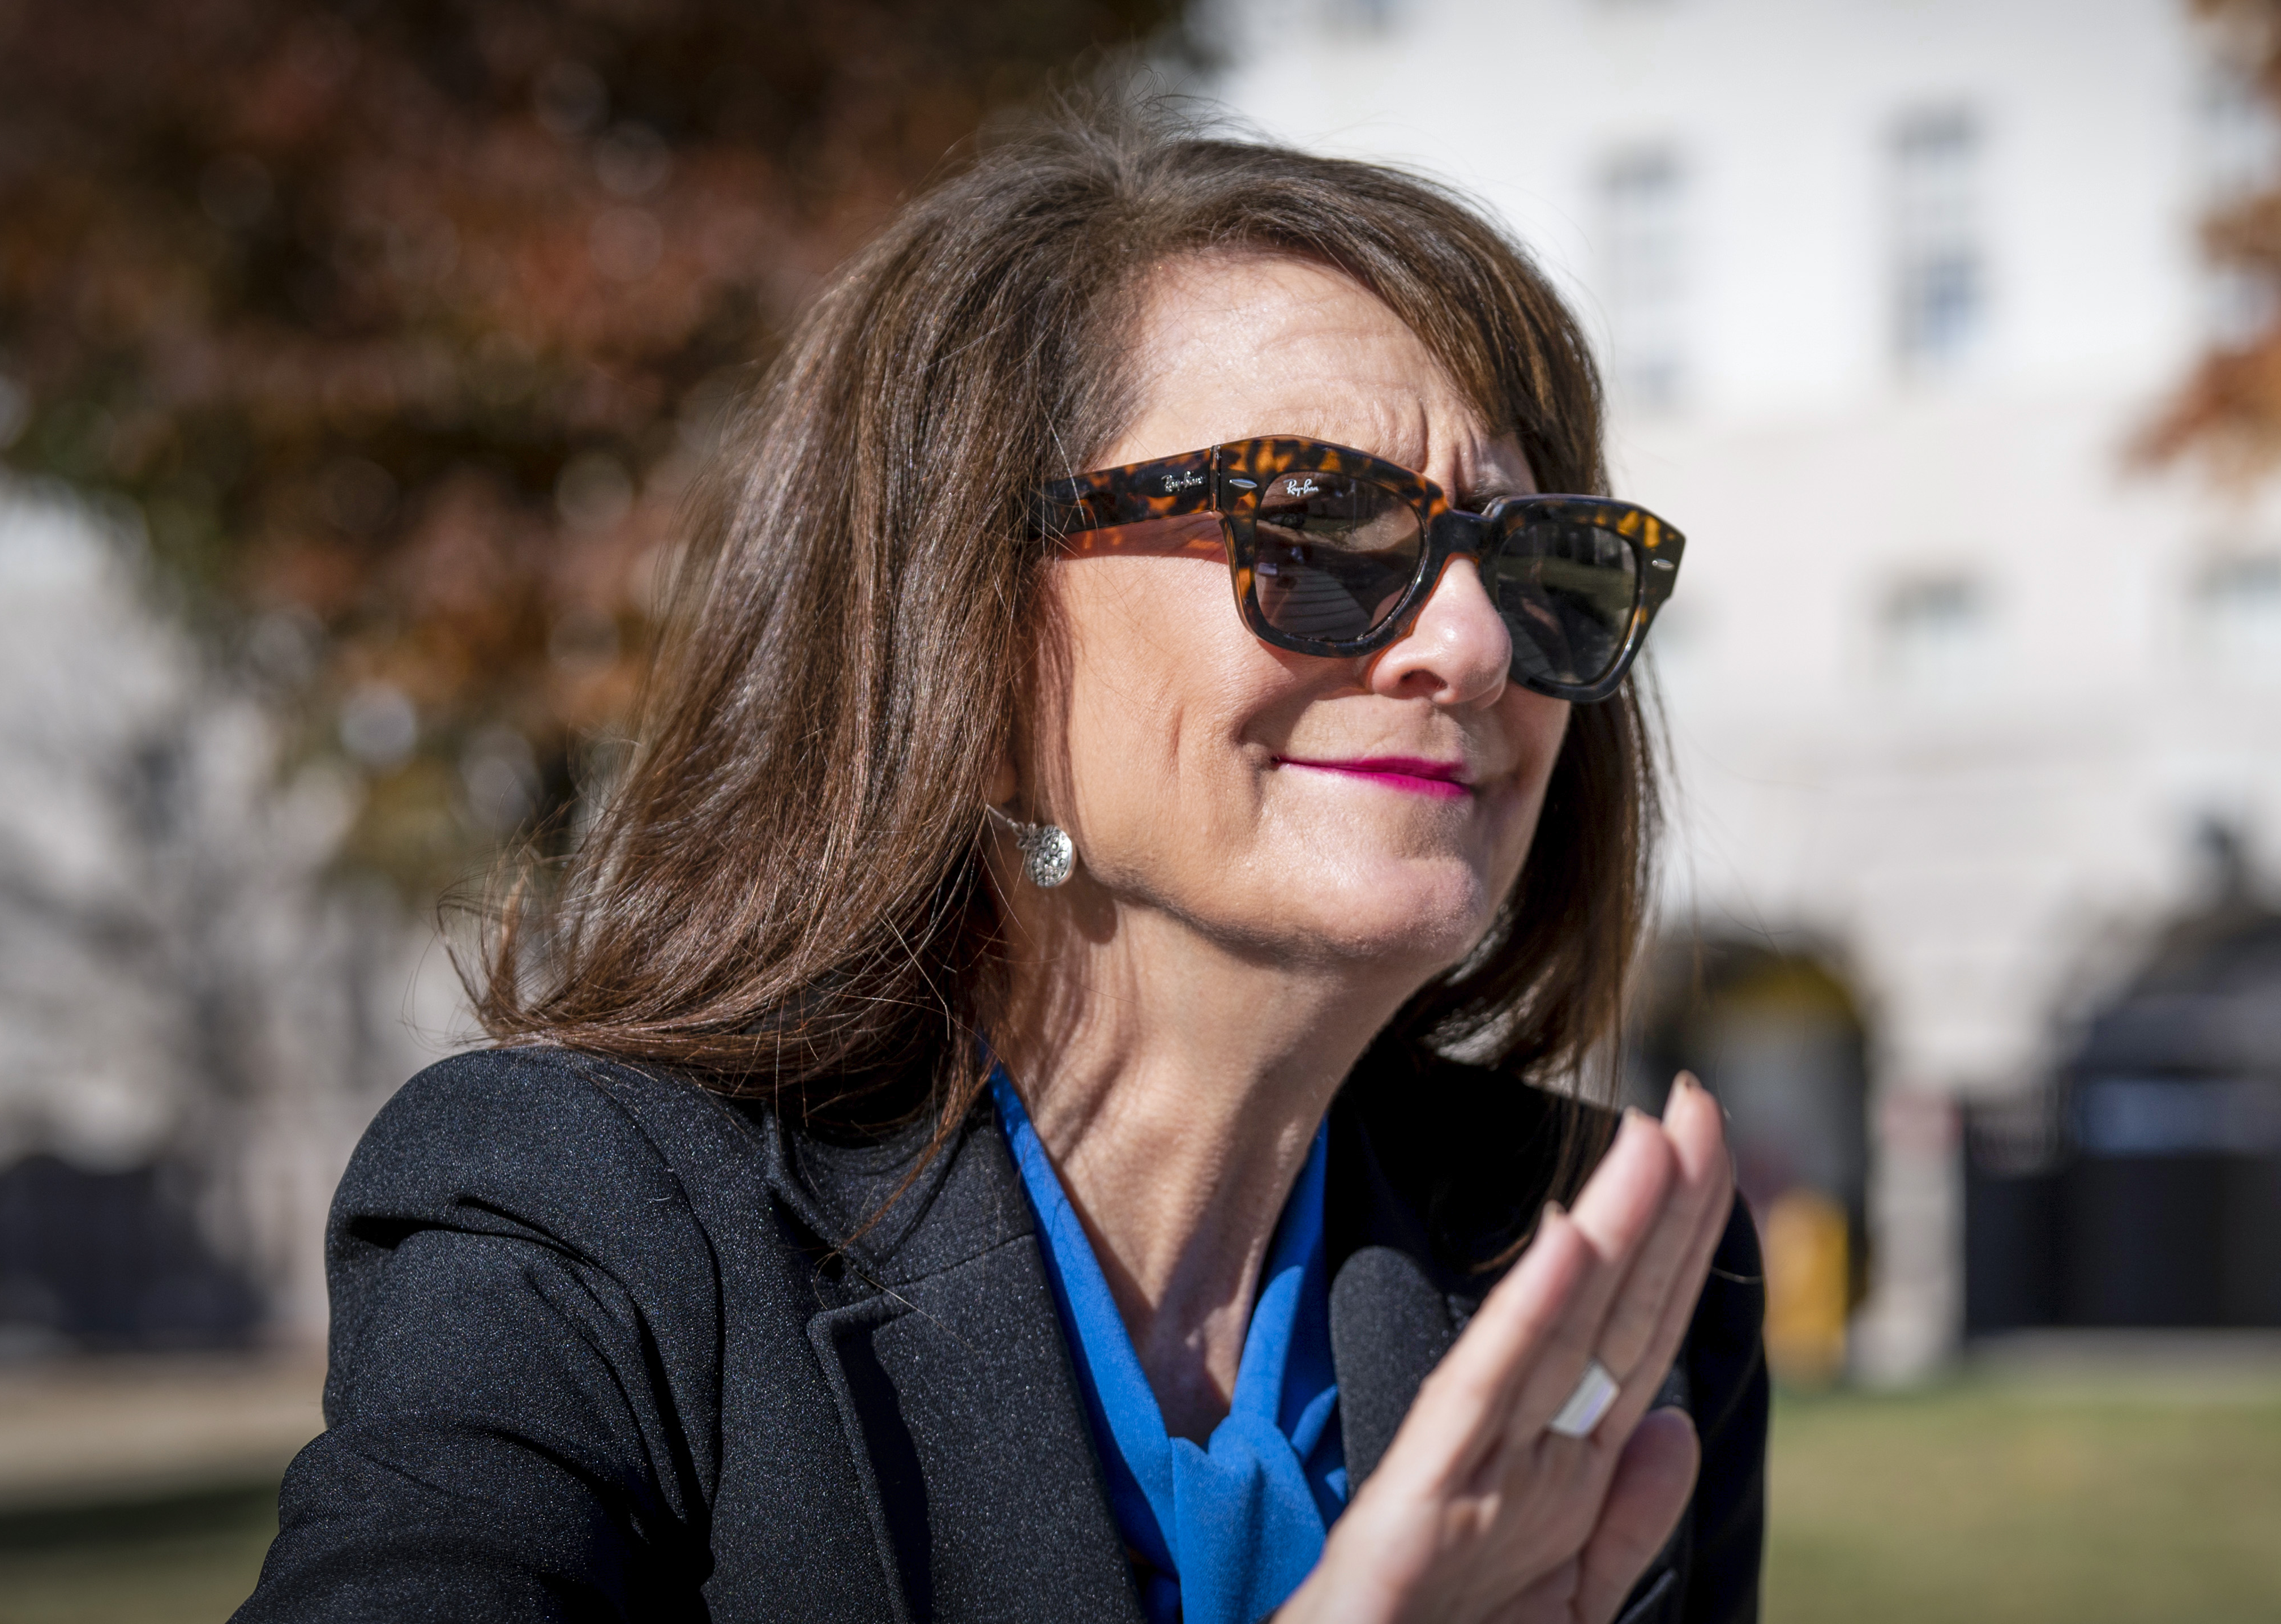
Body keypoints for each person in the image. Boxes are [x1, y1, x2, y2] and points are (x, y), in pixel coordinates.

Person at [237, 102, 1764, 1624]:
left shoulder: (1609, 1271)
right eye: (1314, 528)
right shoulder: (591, 1219)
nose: (1472, 645)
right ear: (958, 631)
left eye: (1533, 560)